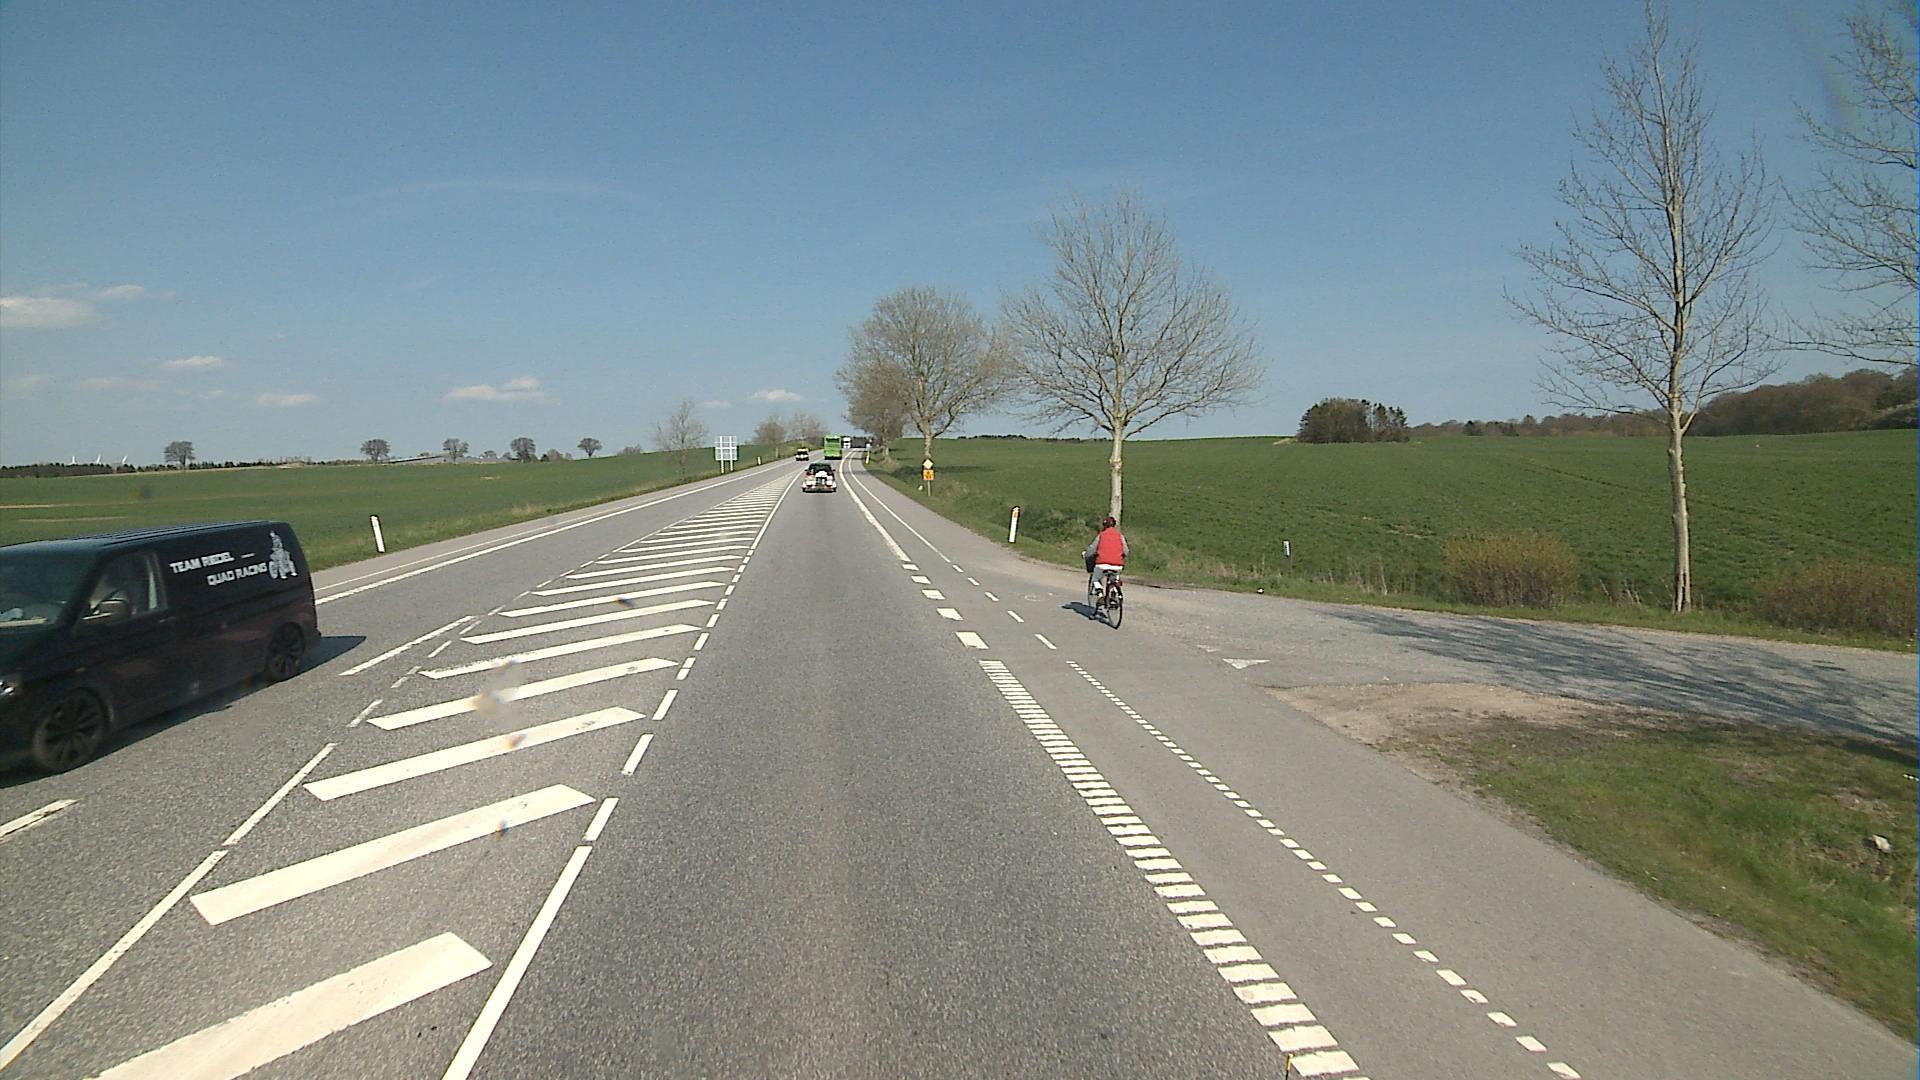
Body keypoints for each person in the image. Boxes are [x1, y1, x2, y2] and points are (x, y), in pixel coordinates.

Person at [1082, 515, 1128, 599]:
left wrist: (1086, 555)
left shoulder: (1101, 535)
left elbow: (1092, 549)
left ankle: (1099, 593)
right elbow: (1126, 551)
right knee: (1115, 577)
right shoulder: (1120, 536)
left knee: (1095, 578)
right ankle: (1115, 591)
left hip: (1102, 564)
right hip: (1118, 565)